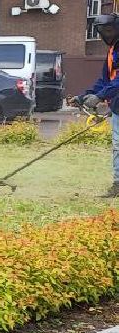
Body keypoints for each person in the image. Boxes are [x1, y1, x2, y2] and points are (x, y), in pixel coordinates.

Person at [71, 13, 119, 197]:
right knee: (117, 146)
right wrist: (85, 96)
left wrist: (100, 96)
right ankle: (117, 185)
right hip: (117, 107)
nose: (106, 34)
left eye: (109, 29)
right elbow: (105, 80)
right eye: (102, 31)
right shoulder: (112, 50)